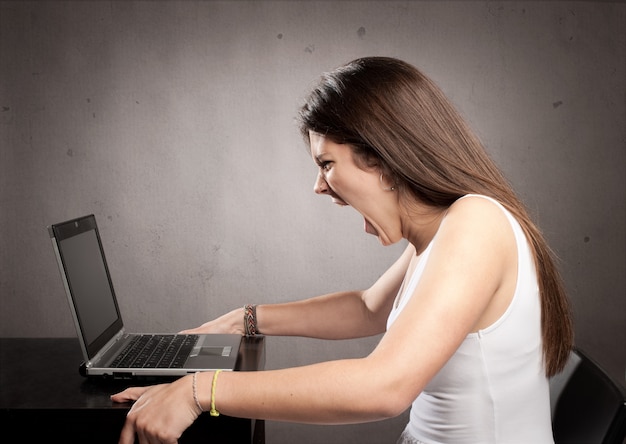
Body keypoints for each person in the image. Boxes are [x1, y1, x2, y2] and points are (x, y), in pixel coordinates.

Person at [112, 56, 573, 444]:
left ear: (383, 153)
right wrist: (244, 318)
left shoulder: (476, 223)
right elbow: (368, 308)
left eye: (327, 164)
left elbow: (384, 388)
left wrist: (201, 390)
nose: (319, 185)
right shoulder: (446, 230)